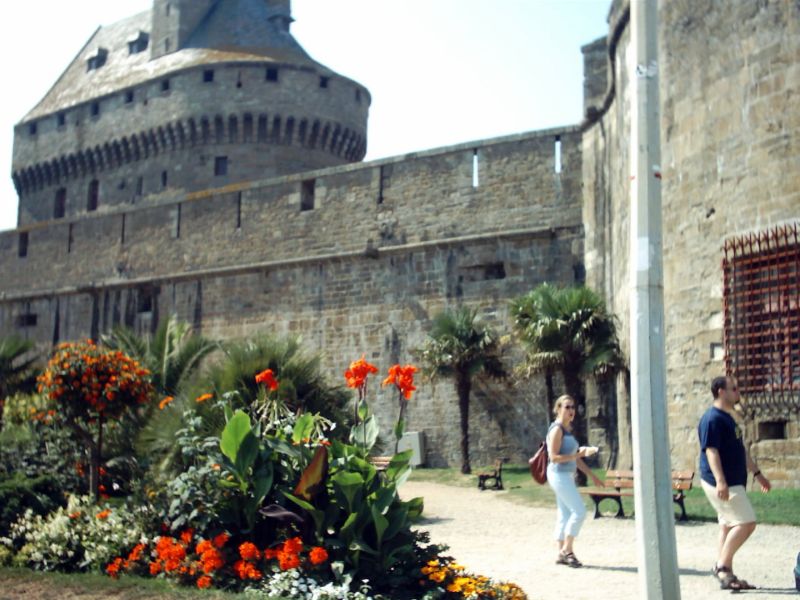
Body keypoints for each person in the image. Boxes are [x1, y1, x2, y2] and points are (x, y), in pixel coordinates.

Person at [698, 376, 771, 591]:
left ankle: (726, 576)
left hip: (732, 481)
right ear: (721, 391)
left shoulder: (727, 418)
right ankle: (722, 566)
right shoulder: (712, 419)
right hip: (723, 482)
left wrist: (757, 474)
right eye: (734, 388)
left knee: (728, 525)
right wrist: (721, 481)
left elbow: (740, 450)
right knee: (747, 523)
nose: (738, 392)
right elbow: (711, 450)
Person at [546, 394, 603, 568]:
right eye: (567, 407)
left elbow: (575, 460)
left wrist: (592, 475)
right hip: (558, 474)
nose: (571, 411)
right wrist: (580, 453)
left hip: (565, 474)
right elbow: (554, 457)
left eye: (573, 407)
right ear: (558, 409)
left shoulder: (567, 429)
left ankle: (561, 553)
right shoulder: (557, 429)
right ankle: (567, 550)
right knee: (579, 511)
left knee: (564, 514)